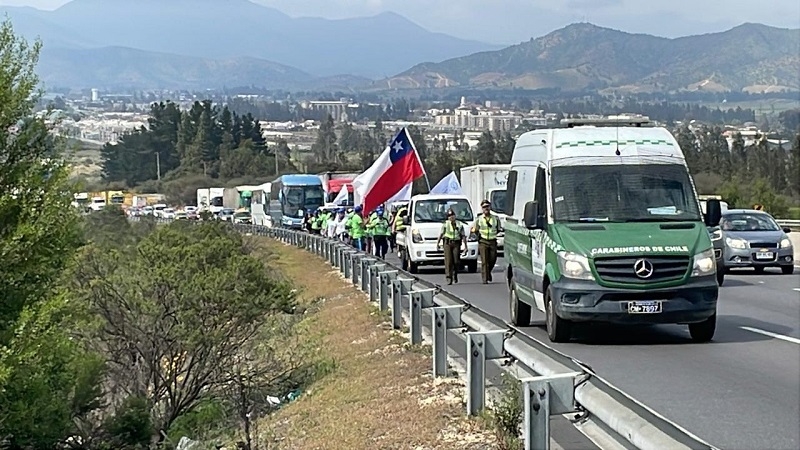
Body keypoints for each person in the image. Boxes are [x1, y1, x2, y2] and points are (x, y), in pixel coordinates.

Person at [472, 199, 502, 284]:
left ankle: (488, 272)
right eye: (484, 207)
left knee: (493, 259)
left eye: (487, 207)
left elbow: (498, 228)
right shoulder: (479, 219)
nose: (486, 209)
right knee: (484, 261)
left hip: (492, 241)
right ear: (482, 208)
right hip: (483, 241)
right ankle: (485, 278)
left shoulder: (495, 218)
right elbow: (475, 229)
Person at [436, 209, 466, 285]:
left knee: (456, 261)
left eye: (452, 215)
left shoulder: (459, 224)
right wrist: (437, 243)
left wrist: (466, 246)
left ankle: (455, 273)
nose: (451, 217)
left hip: (456, 243)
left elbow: (463, 236)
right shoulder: (445, 224)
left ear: (455, 216)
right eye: (449, 216)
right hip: (447, 243)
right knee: (448, 261)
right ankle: (449, 277)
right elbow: (441, 234)